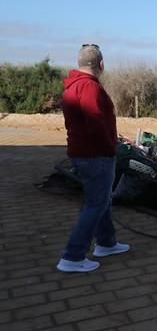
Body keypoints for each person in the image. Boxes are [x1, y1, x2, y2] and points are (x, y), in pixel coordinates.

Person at [56, 44, 130, 273]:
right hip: (95, 155)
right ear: (101, 65)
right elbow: (95, 123)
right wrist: (110, 147)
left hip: (83, 153)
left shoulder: (73, 86)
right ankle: (73, 256)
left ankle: (106, 243)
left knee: (101, 200)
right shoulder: (89, 88)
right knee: (95, 204)